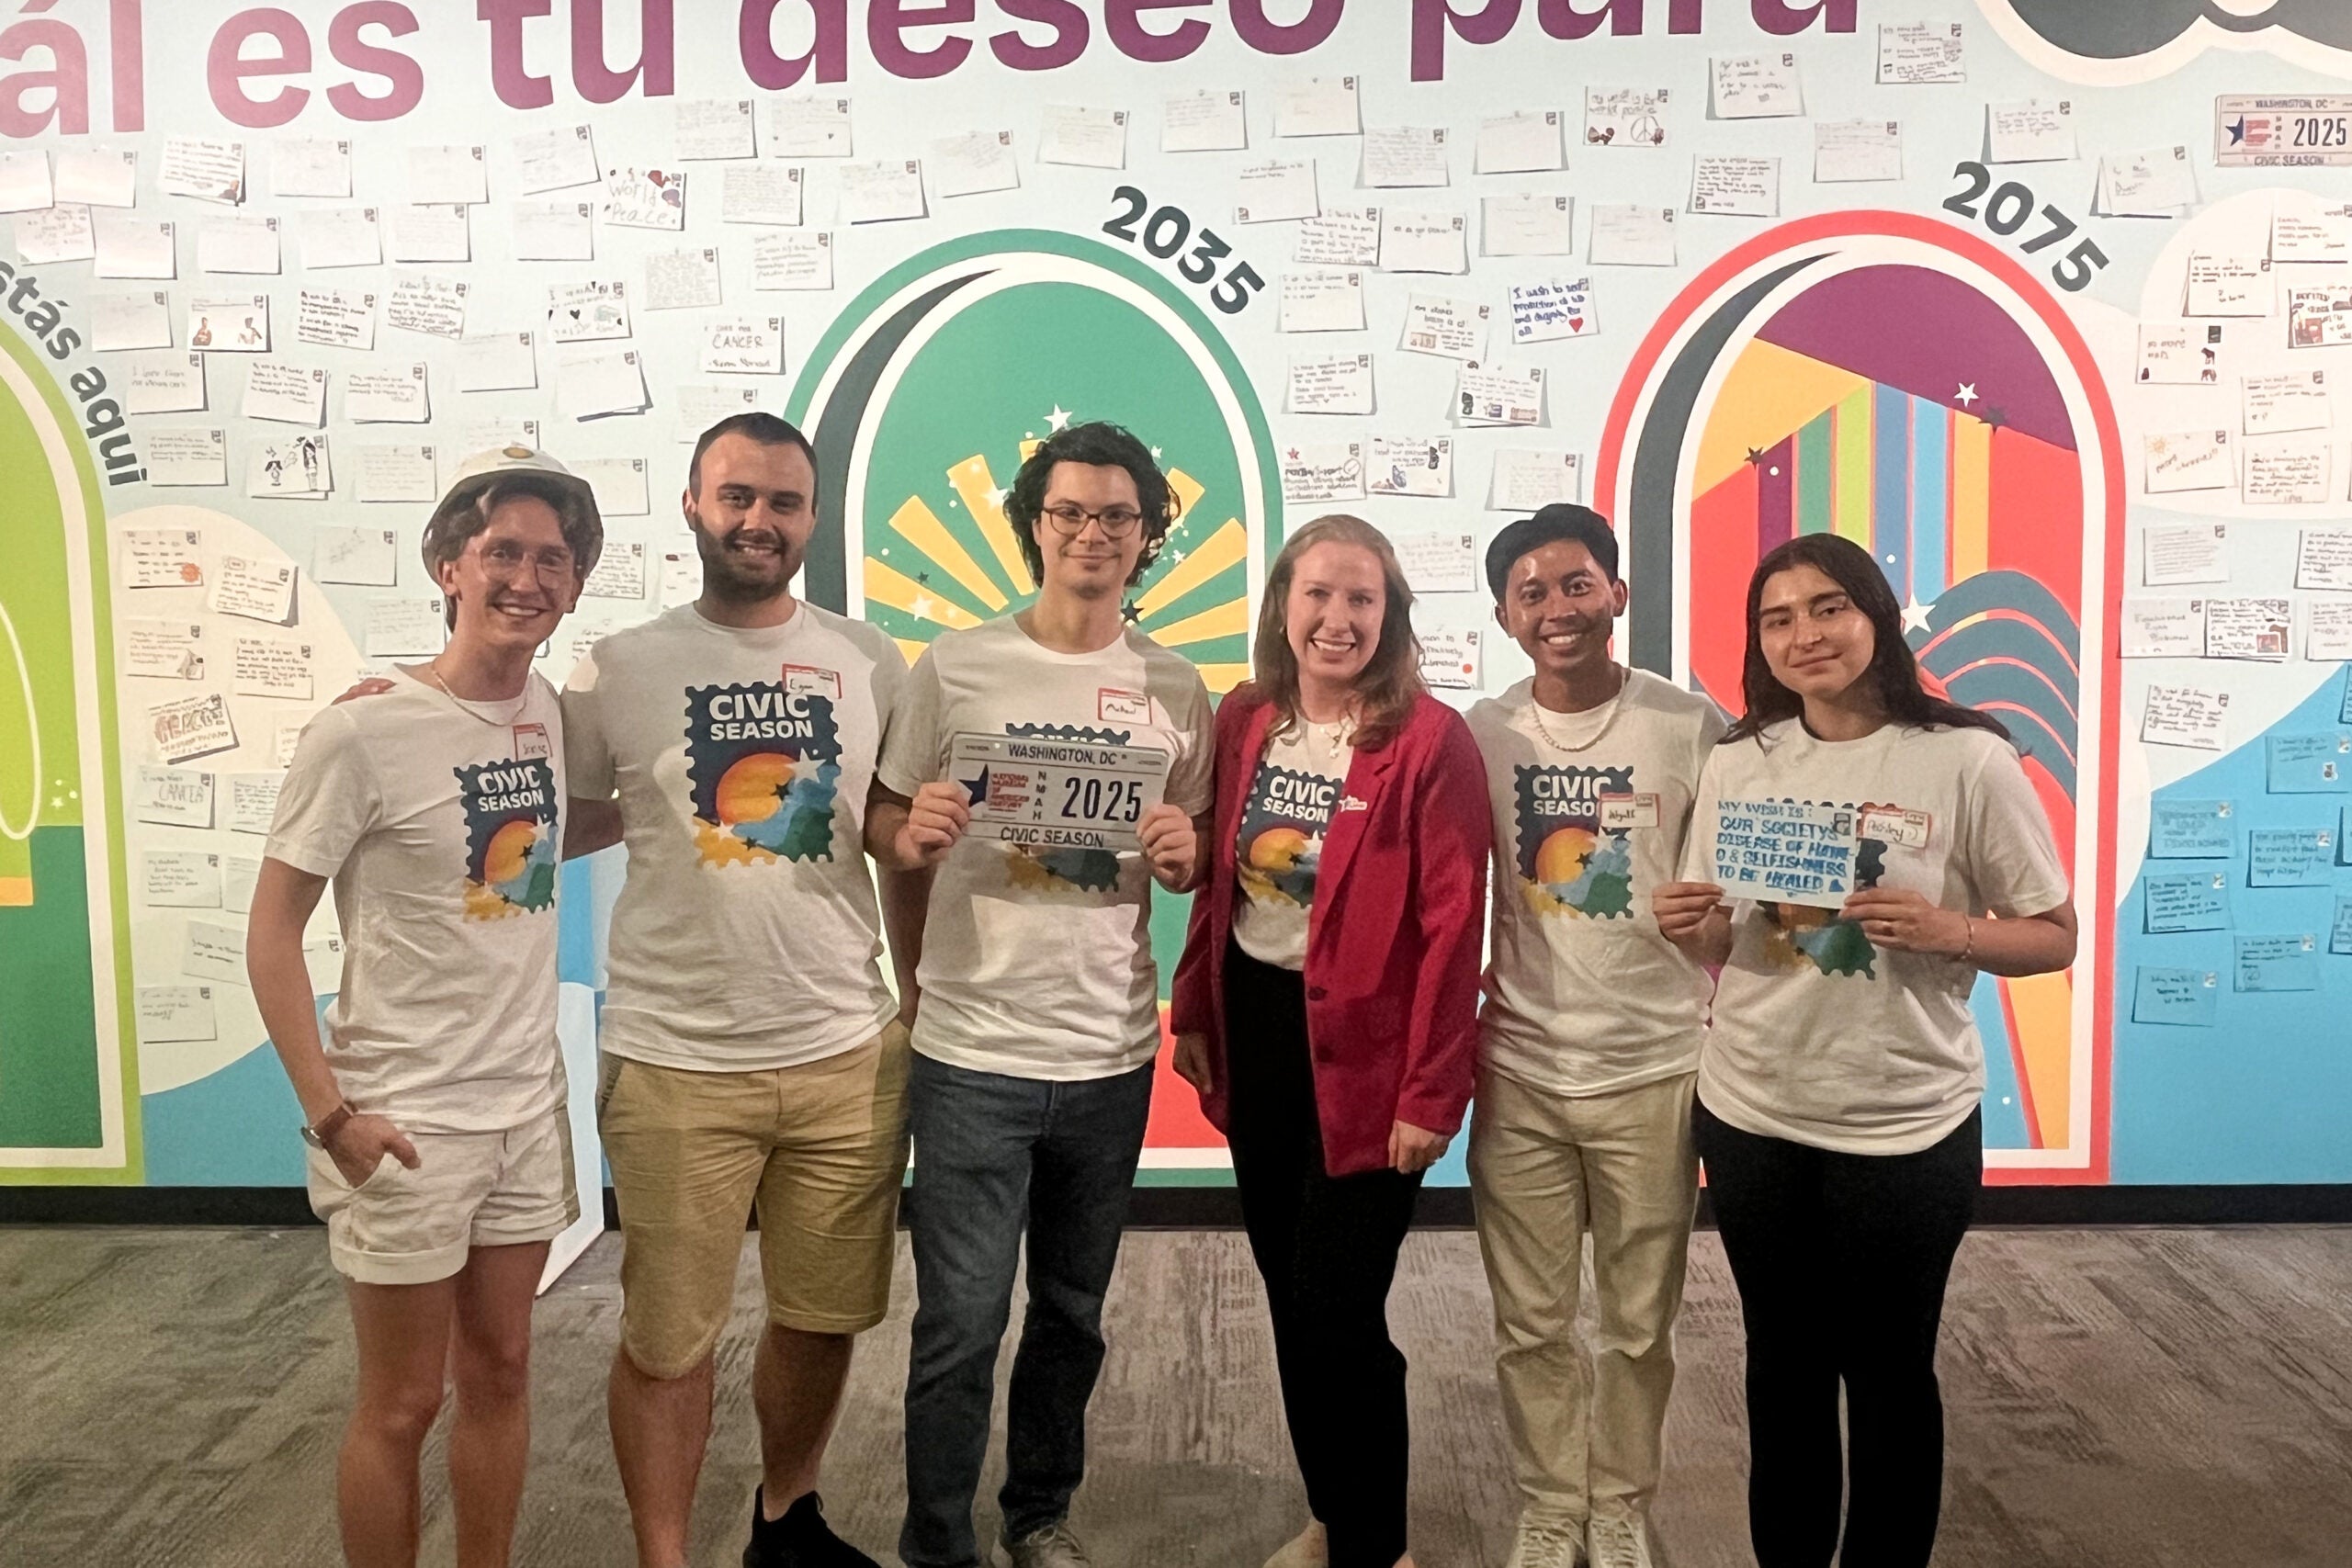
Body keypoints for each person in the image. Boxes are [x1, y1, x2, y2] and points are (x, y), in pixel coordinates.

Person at [1652, 534, 2076, 1568]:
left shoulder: (1967, 756)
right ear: (1757, 640)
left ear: (1876, 617)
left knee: (1888, 1372)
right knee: (1782, 1367)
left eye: (1829, 608)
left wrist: (1953, 933)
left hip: (1904, 1119)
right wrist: (1688, 923)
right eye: (1778, 617)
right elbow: (1726, 943)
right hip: (1752, 1110)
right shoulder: (1738, 759)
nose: (1806, 635)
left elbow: (2054, 932)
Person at [564, 412, 926, 1568]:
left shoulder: (869, 660)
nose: (759, 521)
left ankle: (788, 1516)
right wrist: (416, 706)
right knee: (668, 1341)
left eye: (782, 502)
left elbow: (878, 822)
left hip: (842, 1047)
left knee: (825, 1317)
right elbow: (546, 807)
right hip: (675, 1057)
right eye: (737, 498)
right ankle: (665, 1555)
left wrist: (914, 846)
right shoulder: (620, 666)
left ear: (812, 519)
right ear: (691, 506)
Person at [246, 446, 605, 1568]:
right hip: (405, 1125)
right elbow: (270, 935)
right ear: (448, 564)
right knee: (402, 1403)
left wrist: (658, 804)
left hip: (525, 1110)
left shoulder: (543, 710)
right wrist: (333, 1115)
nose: (527, 578)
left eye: (554, 559)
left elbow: (520, 849)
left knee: (500, 1374)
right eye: (503, 551)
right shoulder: (360, 731)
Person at [868, 421, 1215, 1568]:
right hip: (972, 1052)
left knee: (1070, 1316)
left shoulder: (1175, 686)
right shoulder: (954, 667)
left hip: (1111, 1055)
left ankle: (1037, 1517)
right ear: (1033, 525)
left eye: (1118, 515)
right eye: (1069, 511)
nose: (1093, 534)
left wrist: (1185, 851)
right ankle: (936, 1543)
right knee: (960, 1324)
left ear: (1148, 533)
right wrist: (913, 877)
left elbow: (1200, 846)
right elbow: (889, 832)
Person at [1168, 513, 1490, 1568]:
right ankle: (1332, 1510)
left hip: (1371, 1055)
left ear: (1390, 615)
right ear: (1282, 605)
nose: (1337, 618)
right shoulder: (1244, 719)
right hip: (1261, 1033)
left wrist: (1431, 1093)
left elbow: (1453, 925)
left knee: (1335, 1306)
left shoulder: (1428, 741)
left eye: (1361, 599)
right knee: (1283, 1290)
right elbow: (1219, 884)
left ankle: (1374, 1540)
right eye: (1318, 594)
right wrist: (1198, 1011)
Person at [1464, 506, 1724, 1568]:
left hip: (1654, 1066)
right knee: (1528, 1321)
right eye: (1531, 592)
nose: (1556, 608)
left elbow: (1730, 892)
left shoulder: (1691, 726)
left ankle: (1616, 1501)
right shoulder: (1483, 733)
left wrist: (1714, 930)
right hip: (1519, 1064)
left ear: (1615, 595)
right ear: (1503, 615)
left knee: (1635, 1323)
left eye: (1575, 585)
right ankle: (1546, 1503)